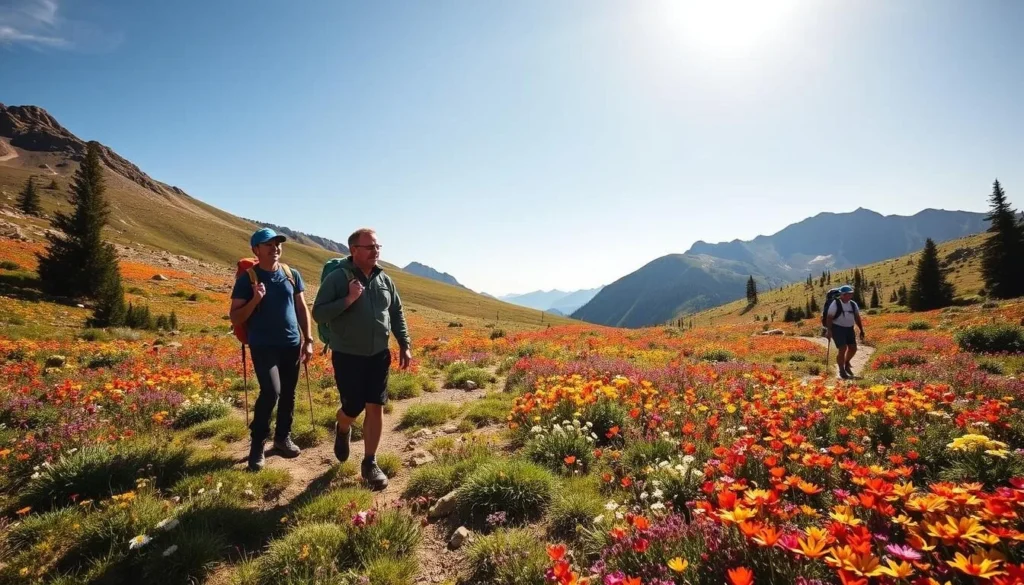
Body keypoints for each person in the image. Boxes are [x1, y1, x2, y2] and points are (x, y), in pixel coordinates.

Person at [312, 228, 411, 489]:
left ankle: (370, 463)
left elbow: (396, 311)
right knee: (352, 407)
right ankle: (343, 427)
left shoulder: (384, 279)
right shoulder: (337, 278)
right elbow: (319, 313)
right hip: (348, 355)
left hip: (379, 354)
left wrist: (404, 343)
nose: (375, 251)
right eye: (369, 247)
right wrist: (348, 299)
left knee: (375, 406)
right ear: (354, 250)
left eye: (378, 247)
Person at [230, 228, 315, 471]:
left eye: (278, 244)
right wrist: (255, 300)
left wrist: (307, 339)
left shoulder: (291, 274)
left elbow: (301, 308)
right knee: (271, 392)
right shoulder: (248, 279)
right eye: (268, 244)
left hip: (291, 344)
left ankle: (282, 438)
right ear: (256, 250)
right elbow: (235, 317)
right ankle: (257, 445)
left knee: (288, 393)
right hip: (263, 345)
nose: (275, 248)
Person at [824, 284, 865, 379]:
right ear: (842, 294)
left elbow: (857, 317)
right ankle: (841, 370)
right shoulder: (835, 303)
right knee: (842, 348)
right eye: (848, 294)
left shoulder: (853, 304)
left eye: (851, 294)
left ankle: (846, 362)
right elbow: (829, 317)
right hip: (837, 328)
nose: (850, 296)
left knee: (853, 348)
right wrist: (829, 330)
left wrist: (861, 329)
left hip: (849, 328)